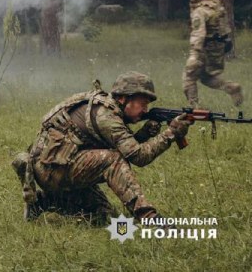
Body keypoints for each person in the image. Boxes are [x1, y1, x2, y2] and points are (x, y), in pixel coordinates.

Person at [12, 72, 193, 225]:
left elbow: (122, 147)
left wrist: (143, 134)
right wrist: (171, 133)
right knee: (111, 159)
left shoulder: (108, 109)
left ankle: (42, 202)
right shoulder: (105, 115)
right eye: (142, 103)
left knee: (104, 216)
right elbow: (138, 157)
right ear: (124, 98)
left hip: (57, 166)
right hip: (53, 171)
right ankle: (150, 218)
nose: (145, 110)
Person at [183, 0, 243, 108]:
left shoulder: (200, 11)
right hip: (217, 48)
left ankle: (193, 107)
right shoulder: (216, 5)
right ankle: (231, 87)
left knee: (189, 77)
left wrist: (194, 55)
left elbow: (198, 34)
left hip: (204, 49)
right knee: (205, 77)